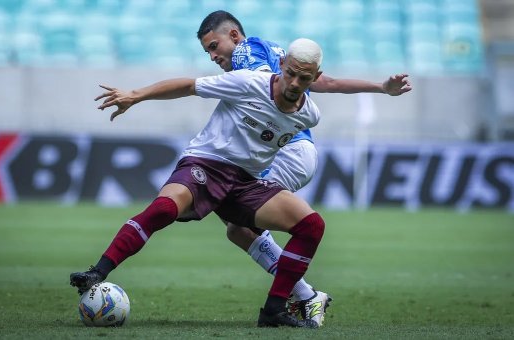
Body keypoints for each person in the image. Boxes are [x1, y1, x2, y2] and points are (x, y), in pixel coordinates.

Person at [71, 38, 327, 328]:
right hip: (206, 164)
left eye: (304, 78)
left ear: (315, 78)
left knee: (311, 226)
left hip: (246, 184)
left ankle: (274, 310)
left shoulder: (309, 115)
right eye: (290, 72)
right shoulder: (249, 82)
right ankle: (98, 272)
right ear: (281, 65)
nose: (294, 82)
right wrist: (136, 95)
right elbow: (189, 86)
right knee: (165, 208)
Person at [195, 10, 413, 325]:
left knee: (236, 216)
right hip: (296, 151)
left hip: (287, 150)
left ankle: (307, 297)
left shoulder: (246, 55)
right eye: (208, 52)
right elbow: (330, 82)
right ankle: (305, 295)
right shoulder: (277, 53)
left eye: (214, 46)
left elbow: (262, 100)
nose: (213, 56)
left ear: (233, 36)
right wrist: (380, 87)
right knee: (237, 228)